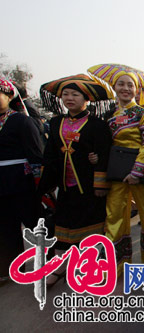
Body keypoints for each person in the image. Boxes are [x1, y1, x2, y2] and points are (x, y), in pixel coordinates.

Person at [88, 63, 144, 276]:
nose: (125, 88)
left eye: (130, 85)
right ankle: (115, 265)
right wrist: (96, 155)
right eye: (121, 84)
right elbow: (105, 144)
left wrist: (137, 172)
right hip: (116, 173)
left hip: (140, 173)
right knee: (114, 216)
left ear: (137, 90)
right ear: (114, 87)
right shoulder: (109, 116)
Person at [38, 74, 113, 287]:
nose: (69, 98)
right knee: (63, 227)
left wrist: (100, 183)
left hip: (89, 186)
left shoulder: (97, 125)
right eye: (65, 95)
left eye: (75, 94)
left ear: (86, 99)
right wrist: (46, 183)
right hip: (65, 185)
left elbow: (104, 154)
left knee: (91, 227)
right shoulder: (55, 123)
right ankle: (60, 269)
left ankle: (92, 268)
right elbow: (50, 153)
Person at [0, 77, 42, 286]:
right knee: (5, 226)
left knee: (33, 221)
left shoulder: (21, 120)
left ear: (9, 96)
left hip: (20, 178)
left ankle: (46, 261)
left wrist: (39, 180)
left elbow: (35, 152)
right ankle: (9, 267)